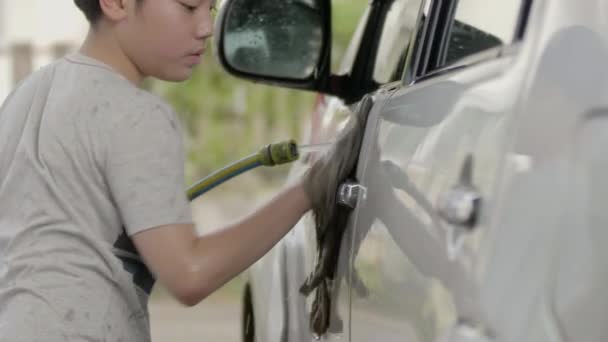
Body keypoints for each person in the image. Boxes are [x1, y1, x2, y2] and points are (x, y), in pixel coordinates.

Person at [0, 0, 321, 341]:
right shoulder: (137, 114)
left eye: (209, 9)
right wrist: (308, 190)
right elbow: (189, 275)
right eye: (189, 7)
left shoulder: (24, 96)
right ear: (116, 3)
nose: (206, 28)